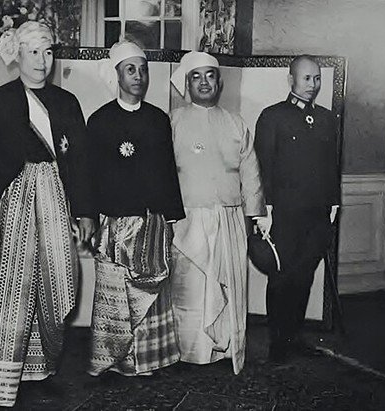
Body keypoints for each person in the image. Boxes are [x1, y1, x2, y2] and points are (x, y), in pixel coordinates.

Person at [0, 21, 95, 407]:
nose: (42, 61)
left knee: (58, 285)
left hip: (55, 199)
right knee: (13, 288)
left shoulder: (67, 103)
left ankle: (40, 370)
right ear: (17, 55)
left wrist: (85, 212)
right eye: (33, 52)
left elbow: (81, 163)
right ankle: (1, 379)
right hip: (13, 201)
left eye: (48, 52)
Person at [87, 40, 185, 377]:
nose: (138, 76)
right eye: (131, 70)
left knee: (151, 292)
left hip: (152, 221)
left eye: (143, 70)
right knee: (116, 296)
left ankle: (149, 360)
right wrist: (91, 216)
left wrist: (171, 217)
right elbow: (90, 175)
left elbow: (168, 171)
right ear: (117, 75)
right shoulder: (99, 121)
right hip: (115, 224)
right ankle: (114, 361)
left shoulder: (158, 119)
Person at [169, 51, 266, 374]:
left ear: (219, 82)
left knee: (229, 288)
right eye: (196, 77)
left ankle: (225, 349)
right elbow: (162, 173)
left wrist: (251, 216)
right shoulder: (173, 122)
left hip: (229, 219)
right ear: (188, 84)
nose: (204, 83)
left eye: (210, 76)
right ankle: (189, 352)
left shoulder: (236, 122)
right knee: (190, 293)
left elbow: (251, 174)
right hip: (186, 220)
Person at [254, 55, 341, 363]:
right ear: (290, 79)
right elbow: (263, 166)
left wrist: (333, 202)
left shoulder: (327, 119)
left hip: (316, 215)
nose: (312, 85)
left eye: (317, 79)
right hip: (284, 216)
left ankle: (295, 336)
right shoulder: (273, 117)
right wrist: (264, 210)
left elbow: (331, 165)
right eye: (306, 78)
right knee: (281, 278)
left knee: (304, 277)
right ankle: (278, 343)